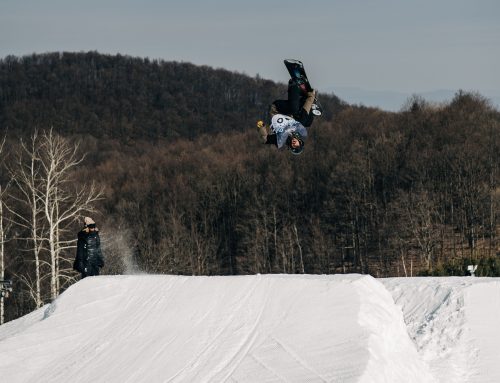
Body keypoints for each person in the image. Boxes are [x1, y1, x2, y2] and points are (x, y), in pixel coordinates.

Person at [257, 79, 317, 155]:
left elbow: (265, 140)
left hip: (277, 110)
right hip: (289, 114)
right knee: (307, 122)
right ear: (300, 142)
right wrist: (311, 97)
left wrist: (261, 127)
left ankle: (293, 84)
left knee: (294, 110)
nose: (294, 144)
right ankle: (308, 99)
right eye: (296, 146)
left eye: (293, 146)